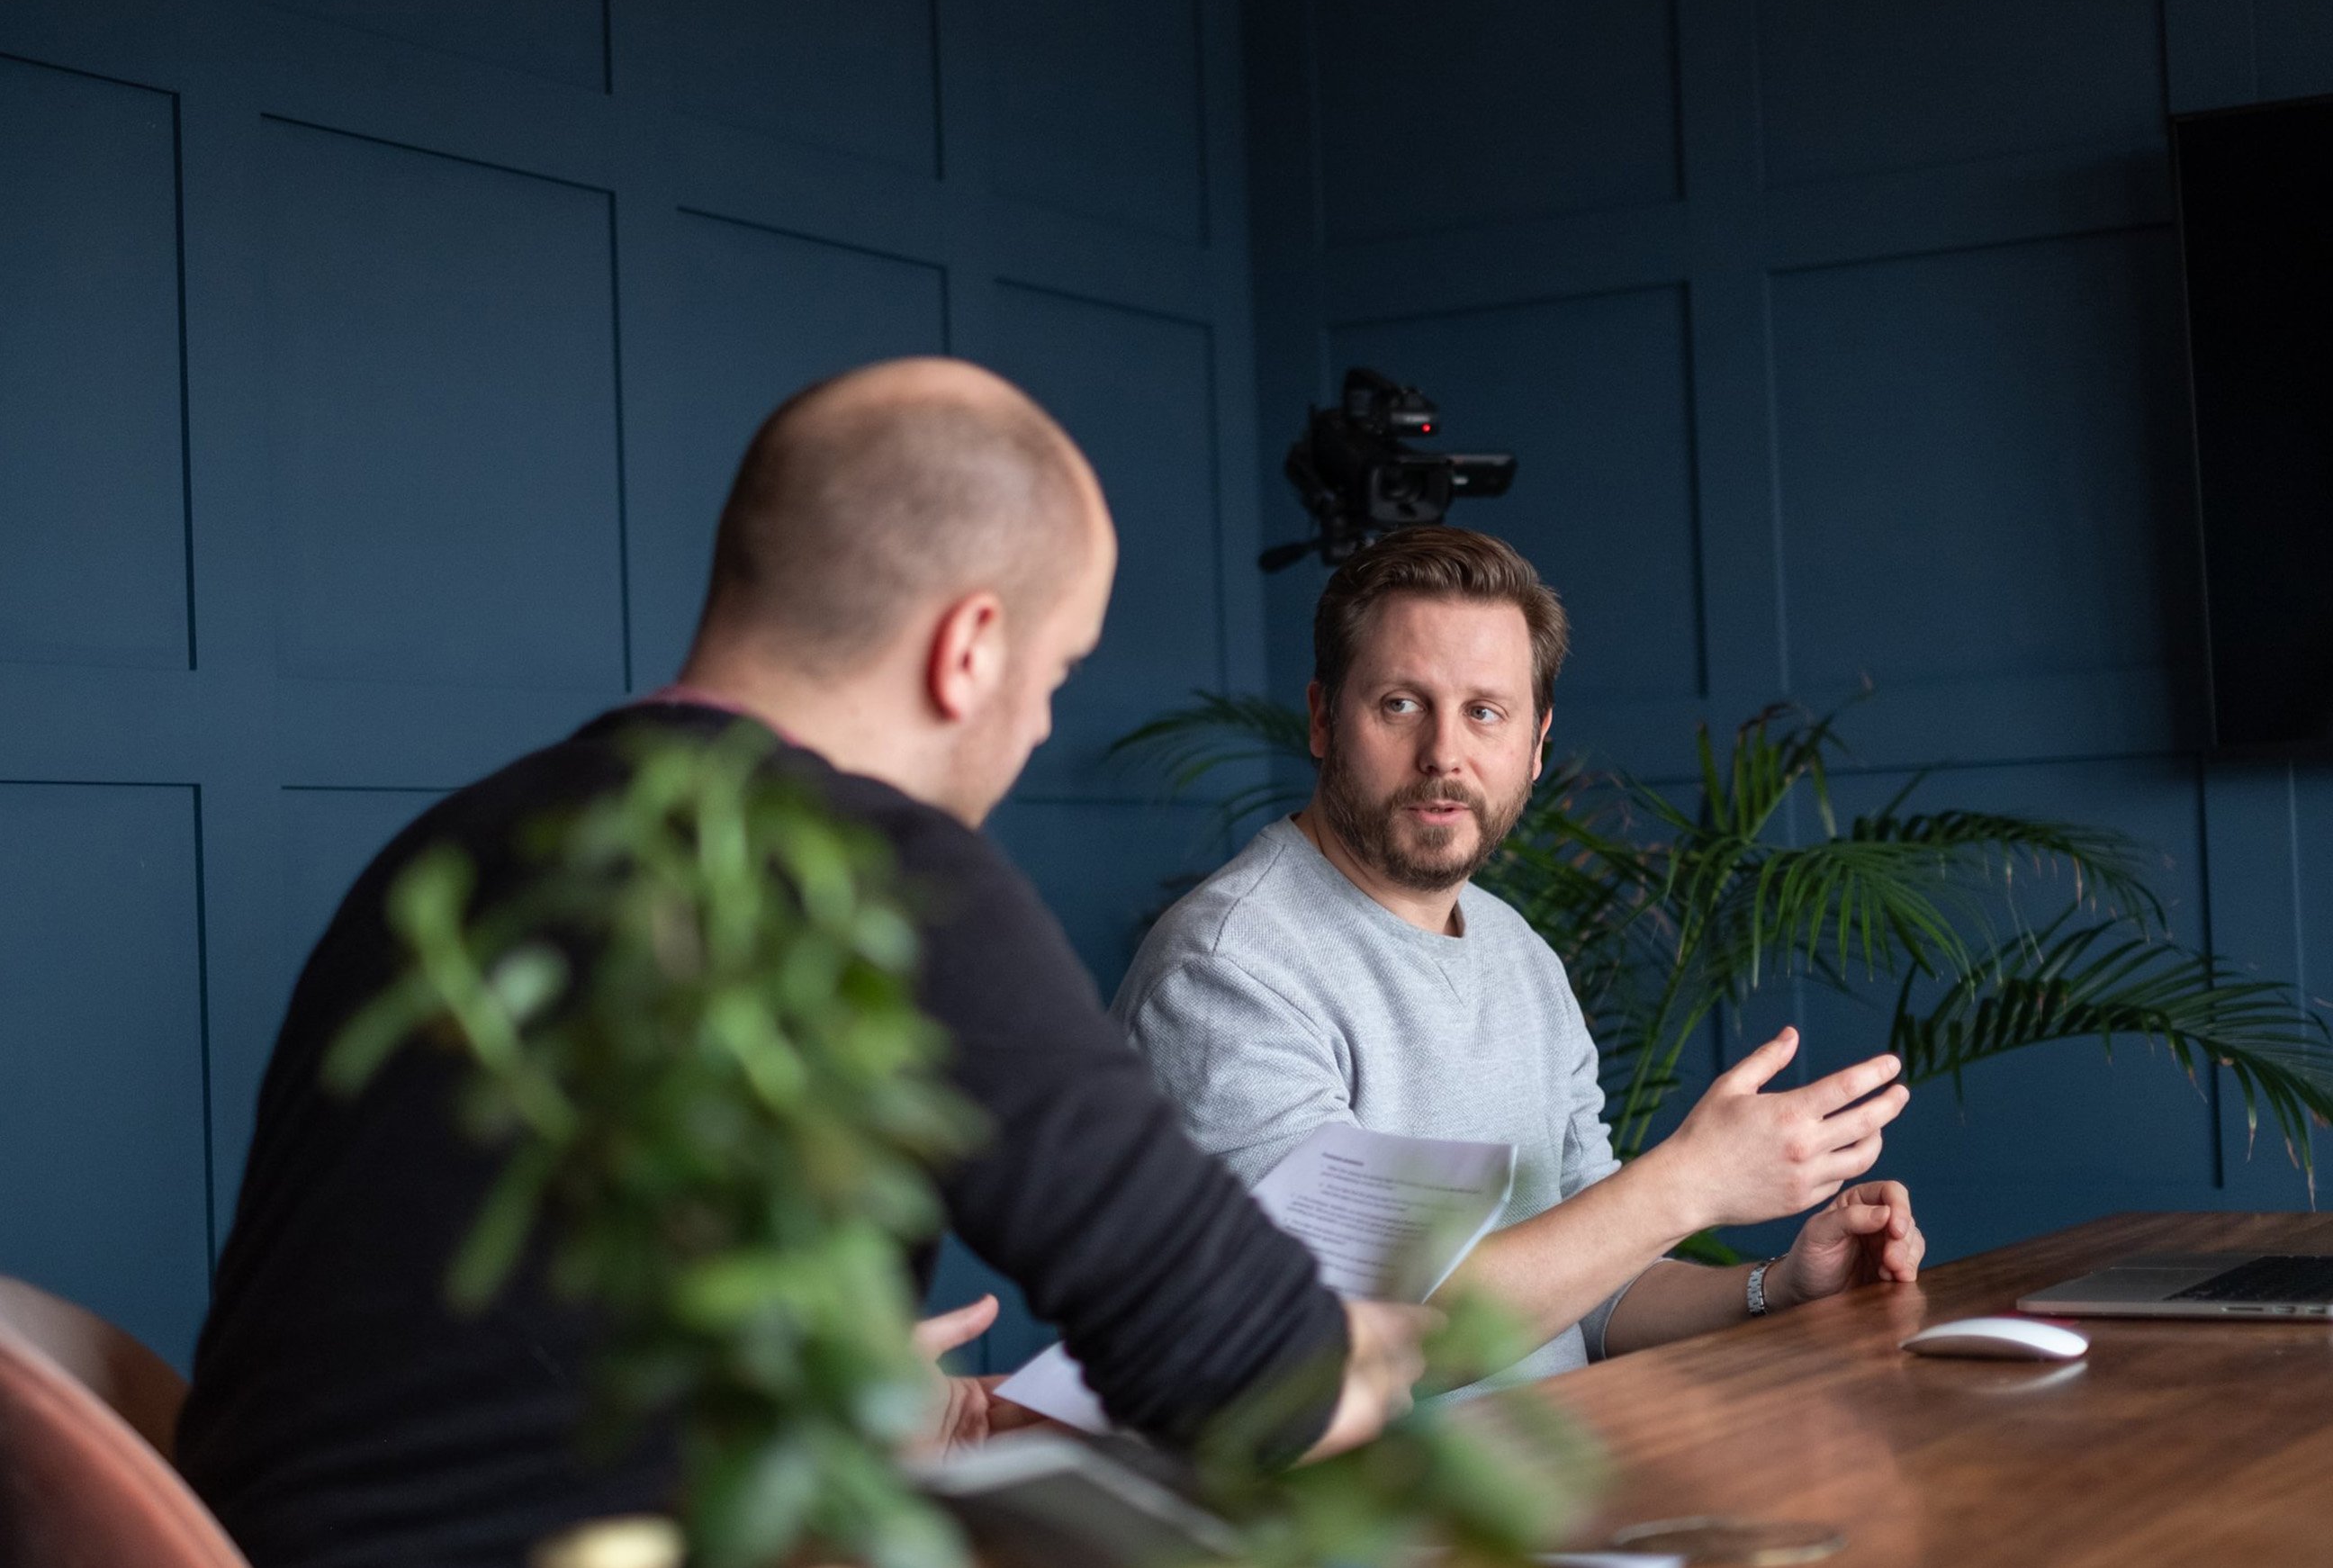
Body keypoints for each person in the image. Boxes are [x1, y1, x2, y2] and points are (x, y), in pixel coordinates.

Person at [176, 359, 1433, 1568]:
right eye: (1054, 673)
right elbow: (1255, 1381)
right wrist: (1395, 1344)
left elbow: (456, 1347)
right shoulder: (882, 874)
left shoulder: (450, 848)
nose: (1041, 721)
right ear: (970, 648)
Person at [1116, 526, 1924, 1390]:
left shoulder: (1520, 954)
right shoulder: (1227, 971)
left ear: (1535, 745)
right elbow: (1364, 1348)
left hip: (1553, 1490)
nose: (1444, 755)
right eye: (1399, 704)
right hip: (1337, 1522)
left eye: (1484, 712)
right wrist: (1692, 1184)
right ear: (1322, 719)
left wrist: (1778, 1288)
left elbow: (1598, 1293)